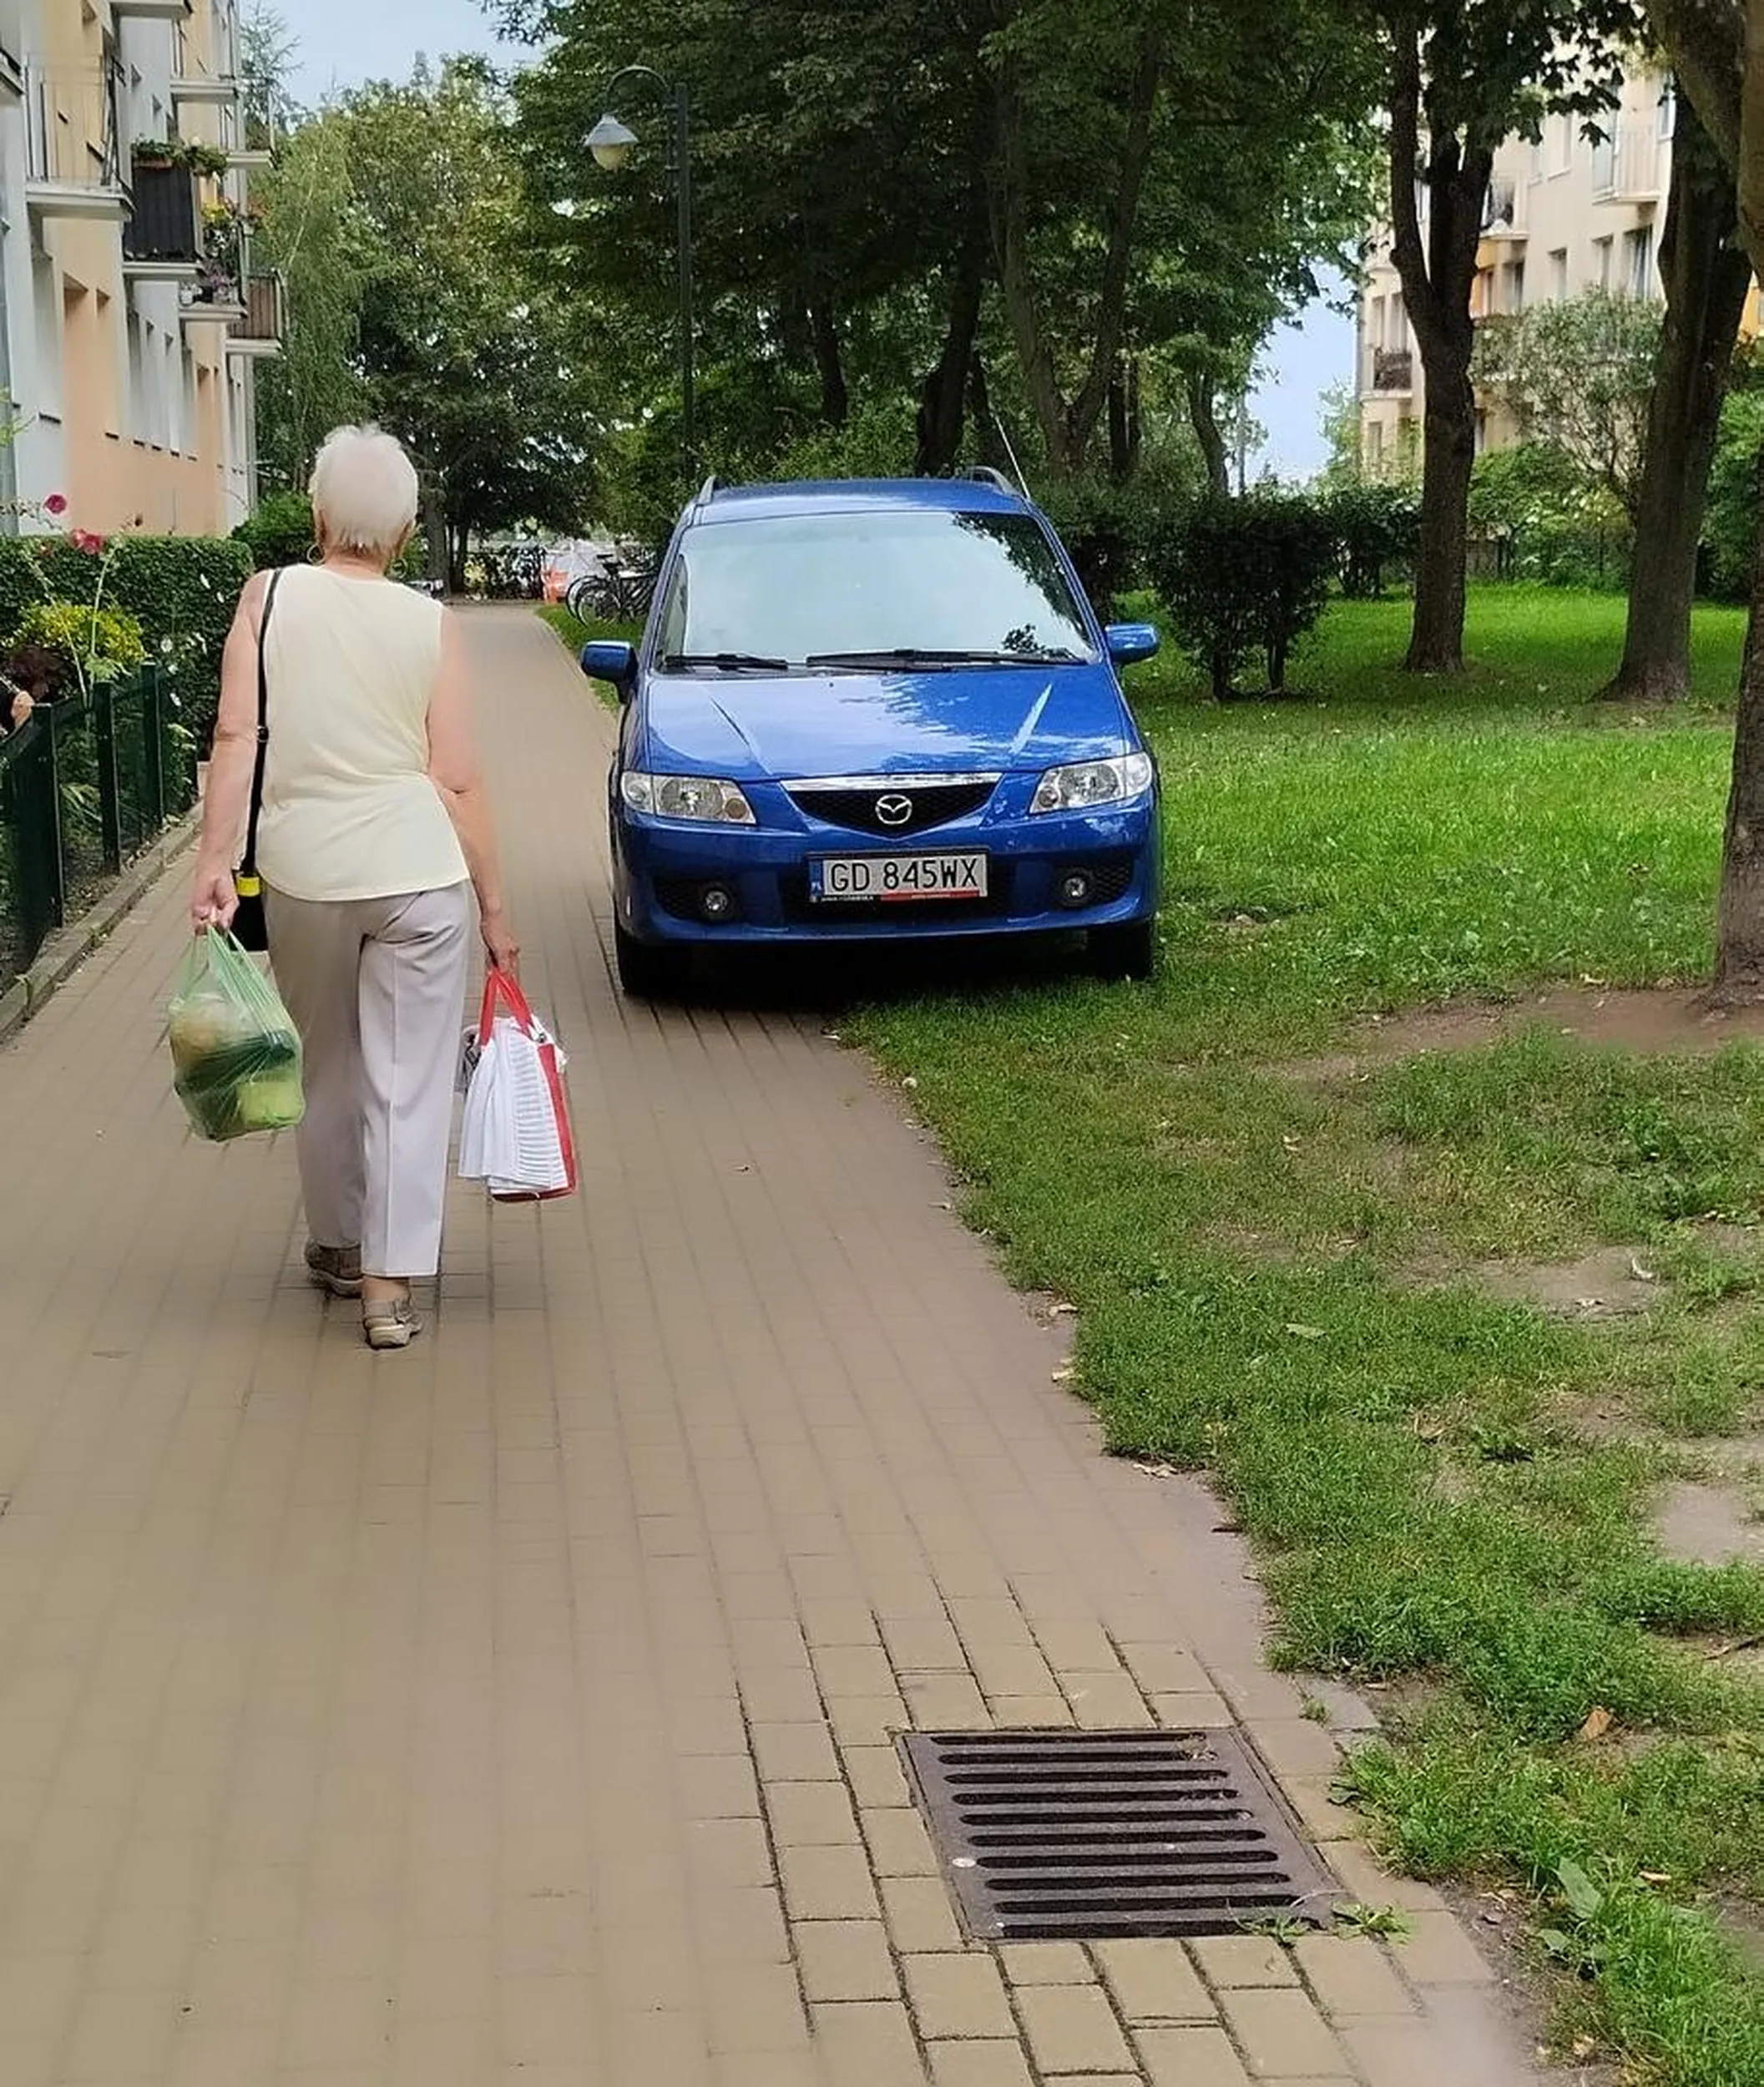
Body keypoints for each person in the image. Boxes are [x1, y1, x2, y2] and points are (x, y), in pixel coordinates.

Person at [189, 425, 518, 1350]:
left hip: (307, 874)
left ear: (317, 513)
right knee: (409, 1083)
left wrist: (215, 863)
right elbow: (456, 778)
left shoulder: (271, 596)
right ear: (407, 533)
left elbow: (235, 737)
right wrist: (496, 911)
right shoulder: (431, 624)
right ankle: (389, 1287)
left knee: (325, 1062)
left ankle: (335, 1245)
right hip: (420, 875)